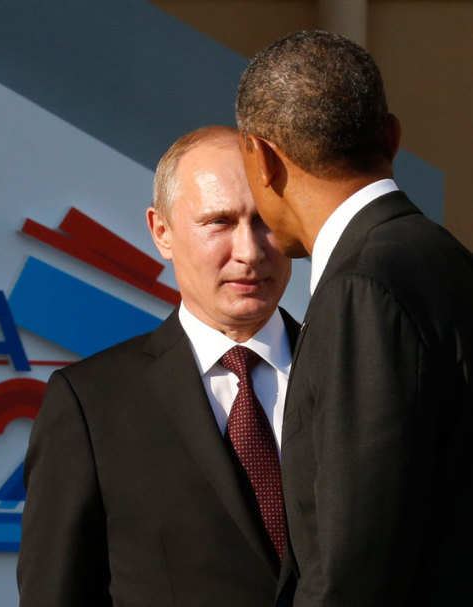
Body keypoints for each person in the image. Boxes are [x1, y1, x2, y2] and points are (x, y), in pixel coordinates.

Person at [236, 30, 473, 606]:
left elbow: (355, 566)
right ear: (392, 136)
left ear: (262, 158)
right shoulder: (445, 258)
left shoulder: (361, 288)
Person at [17, 126, 296, 606]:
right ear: (161, 231)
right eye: (219, 222)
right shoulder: (92, 404)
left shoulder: (360, 374)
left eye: (265, 220)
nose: (249, 252)